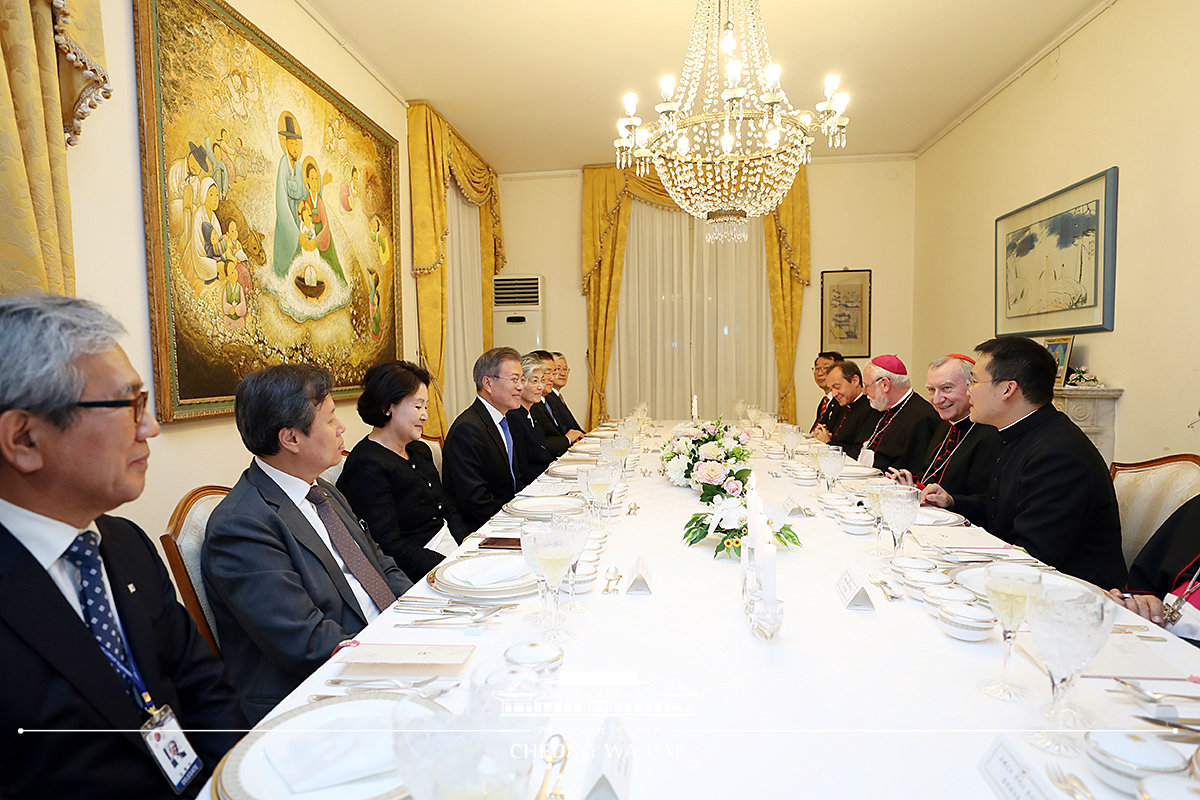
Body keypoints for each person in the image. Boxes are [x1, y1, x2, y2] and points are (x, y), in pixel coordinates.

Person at [0, 295, 245, 800]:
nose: (150, 426)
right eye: (129, 405)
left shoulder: (124, 543)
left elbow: (204, 689)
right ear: (24, 438)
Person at [203, 364, 412, 724]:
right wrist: (396, 654)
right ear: (292, 439)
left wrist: (421, 616)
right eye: (331, 420)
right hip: (316, 695)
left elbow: (380, 563)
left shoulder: (322, 490)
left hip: (382, 652)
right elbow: (306, 641)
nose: (342, 427)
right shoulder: (241, 525)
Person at [923, 336, 1126, 589]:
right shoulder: (1018, 432)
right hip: (1020, 572)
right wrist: (953, 501)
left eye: (973, 382)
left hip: (1073, 594)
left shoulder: (1057, 455)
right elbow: (1002, 508)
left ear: (1008, 389)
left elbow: (1034, 556)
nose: (967, 391)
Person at [338, 361, 468, 583]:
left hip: (451, 551)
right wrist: (448, 567)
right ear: (388, 407)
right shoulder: (367, 465)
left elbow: (447, 509)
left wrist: (468, 545)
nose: (425, 415)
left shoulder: (418, 449)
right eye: (418, 407)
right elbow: (389, 546)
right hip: (419, 570)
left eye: (425, 407)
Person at [888, 355, 1001, 497]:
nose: (936, 399)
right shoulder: (945, 424)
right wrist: (911, 487)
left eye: (946, 388)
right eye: (931, 390)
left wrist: (950, 501)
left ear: (971, 387)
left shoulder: (990, 433)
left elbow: (985, 502)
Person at [443, 347, 530, 531]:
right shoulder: (468, 429)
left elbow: (514, 480)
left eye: (522, 380)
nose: (521, 387)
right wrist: (519, 519)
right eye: (514, 379)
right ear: (488, 384)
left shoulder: (502, 420)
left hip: (508, 516)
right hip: (484, 528)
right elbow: (475, 501)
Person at [859, 354, 941, 473]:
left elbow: (913, 469)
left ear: (885, 384)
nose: (864, 393)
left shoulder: (922, 417)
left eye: (867, 387)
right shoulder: (885, 407)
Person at [813, 360, 879, 460]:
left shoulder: (870, 409)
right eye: (831, 389)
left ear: (855, 381)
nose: (834, 394)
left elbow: (858, 453)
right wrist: (822, 433)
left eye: (837, 387)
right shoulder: (840, 404)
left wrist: (828, 443)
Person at [507, 354, 558, 484]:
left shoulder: (532, 413)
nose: (540, 386)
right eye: (534, 381)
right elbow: (522, 469)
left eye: (542, 380)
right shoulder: (514, 417)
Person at [529, 350, 578, 455]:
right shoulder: (530, 405)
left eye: (553, 373)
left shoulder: (548, 399)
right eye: (547, 373)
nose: (552, 378)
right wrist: (568, 439)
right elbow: (540, 446)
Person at [545, 351, 584, 434]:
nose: (562, 373)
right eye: (558, 369)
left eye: (565, 369)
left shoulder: (557, 396)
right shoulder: (548, 397)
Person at [810, 350, 845, 433]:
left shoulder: (842, 401)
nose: (819, 373)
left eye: (825, 368)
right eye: (817, 368)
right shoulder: (824, 401)